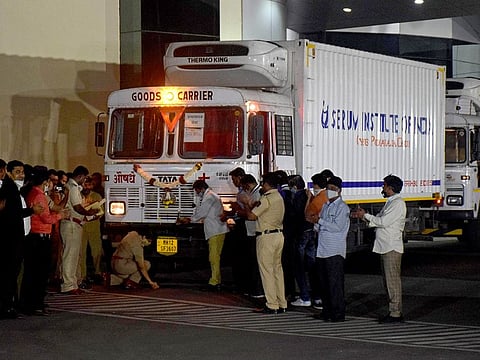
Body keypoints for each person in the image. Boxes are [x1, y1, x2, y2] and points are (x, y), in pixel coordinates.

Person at [353, 175, 406, 323]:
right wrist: (364, 217)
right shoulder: (391, 203)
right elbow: (378, 221)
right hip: (386, 246)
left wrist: (366, 215)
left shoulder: (397, 204)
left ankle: (395, 312)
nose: (382, 188)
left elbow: (383, 222)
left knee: (392, 281)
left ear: (391, 188)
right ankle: (394, 310)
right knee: (389, 281)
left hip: (391, 247)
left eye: (384, 185)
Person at [20, 166, 69, 315]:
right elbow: (46, 218)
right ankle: (36, 304)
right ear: (46, 181)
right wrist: (61, 216)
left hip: (34, 236)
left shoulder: (32, 192)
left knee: (33, 272)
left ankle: (33, 302)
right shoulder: (39, 195)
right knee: (39, 273)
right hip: (40, 237)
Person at [0, 159, 42, 319]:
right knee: (9, 273)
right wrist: (32, 210)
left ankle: (9, 304)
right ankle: (7, 306)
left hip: (17, 237)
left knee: (12, 273)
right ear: (7, 171)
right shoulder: (8, 188)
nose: (21, 175)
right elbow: (12, 213)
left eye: (22, 172)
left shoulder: (16, 189)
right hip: (11, 239)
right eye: (17, 172)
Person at [245, 172, 287, 314]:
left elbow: (252, 216)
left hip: (266, 236)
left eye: (263, 183)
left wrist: (247, 205)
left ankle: (271, 304)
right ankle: (282, 302)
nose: (262, 185)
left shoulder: (267, 198)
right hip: (279, 235)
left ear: (268, 184)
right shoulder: (279, 197)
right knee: (277, 270)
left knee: (266, 271)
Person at [312, 176, 350, 322]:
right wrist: (316, 223)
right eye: (328, 189)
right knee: (324, 283)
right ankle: (327, 311)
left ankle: (338, 313)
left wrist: (320, 221)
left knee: (335, 285)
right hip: (322, 250)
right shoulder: (326, 206)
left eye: (332, 189)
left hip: (334, 251)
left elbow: (337, 227)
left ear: (339, 191)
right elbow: (319, 226)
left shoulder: (342, 208)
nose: (329, 192)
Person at [59, 165, 99, 295]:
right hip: (71, 224)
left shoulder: (74, 187)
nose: (85, 181)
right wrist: (90, 211)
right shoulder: (73, 187)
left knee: (74, 255)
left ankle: (72, 282)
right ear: (81, 176)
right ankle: (68, 285)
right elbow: (77, 208)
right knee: (70, 256)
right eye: (85, 178)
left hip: (75, 224)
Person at [182, 180, 229, 290]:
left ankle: (214, 282)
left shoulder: (209, 197)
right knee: (215, 257)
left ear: (201, 188)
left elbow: (202, 212)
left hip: (215, 230)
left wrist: (190, 219)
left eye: (197, 190)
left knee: (213, 257)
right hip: (218, 230)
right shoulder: (212, 195)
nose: (197, 193)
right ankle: (216, 280)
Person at [238, 174, 264, 298]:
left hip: (256, 231)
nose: (243, 189)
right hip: (251, 231)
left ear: (248, 184)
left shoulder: (258, 194)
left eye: (244, 186)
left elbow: (252, 215)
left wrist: (245, 206)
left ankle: (258, 290)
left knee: (255, 262)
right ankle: (254, 288)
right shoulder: (254, 193)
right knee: (251, 261)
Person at [227, 167, 250, 294]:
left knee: (241, 257)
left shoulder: (244, 192)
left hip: (244, 226)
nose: (233, 181)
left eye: (233, 179)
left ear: (239, 177)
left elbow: (247, 212)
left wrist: (235, 210)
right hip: (241, 224)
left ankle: (242, 286)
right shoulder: (241, 191)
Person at [80, 176, 104, 287]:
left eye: (89, 185)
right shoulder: (78, 196)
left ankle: (97, 273)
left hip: (94, 227)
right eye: (85, 185)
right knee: (81, 252)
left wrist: (92, 215)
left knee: (96, 251)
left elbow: (101, 212)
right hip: (81, 228)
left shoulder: (97, 196)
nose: (87, 187)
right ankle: (83, 276)